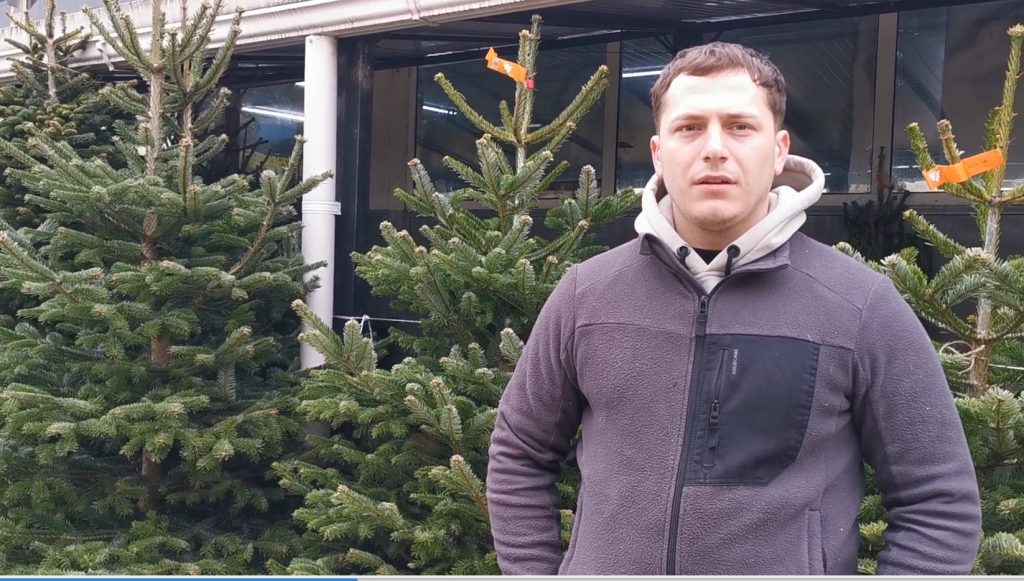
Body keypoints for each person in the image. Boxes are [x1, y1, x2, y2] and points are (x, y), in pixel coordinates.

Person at [485, 41, 981, 575]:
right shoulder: (586, 295)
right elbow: (520, 454)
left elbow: (938, 501)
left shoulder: (860, 307)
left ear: (779, 149)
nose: (715, 149)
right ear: (658, 152)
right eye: (689, 127)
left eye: (741, 126)